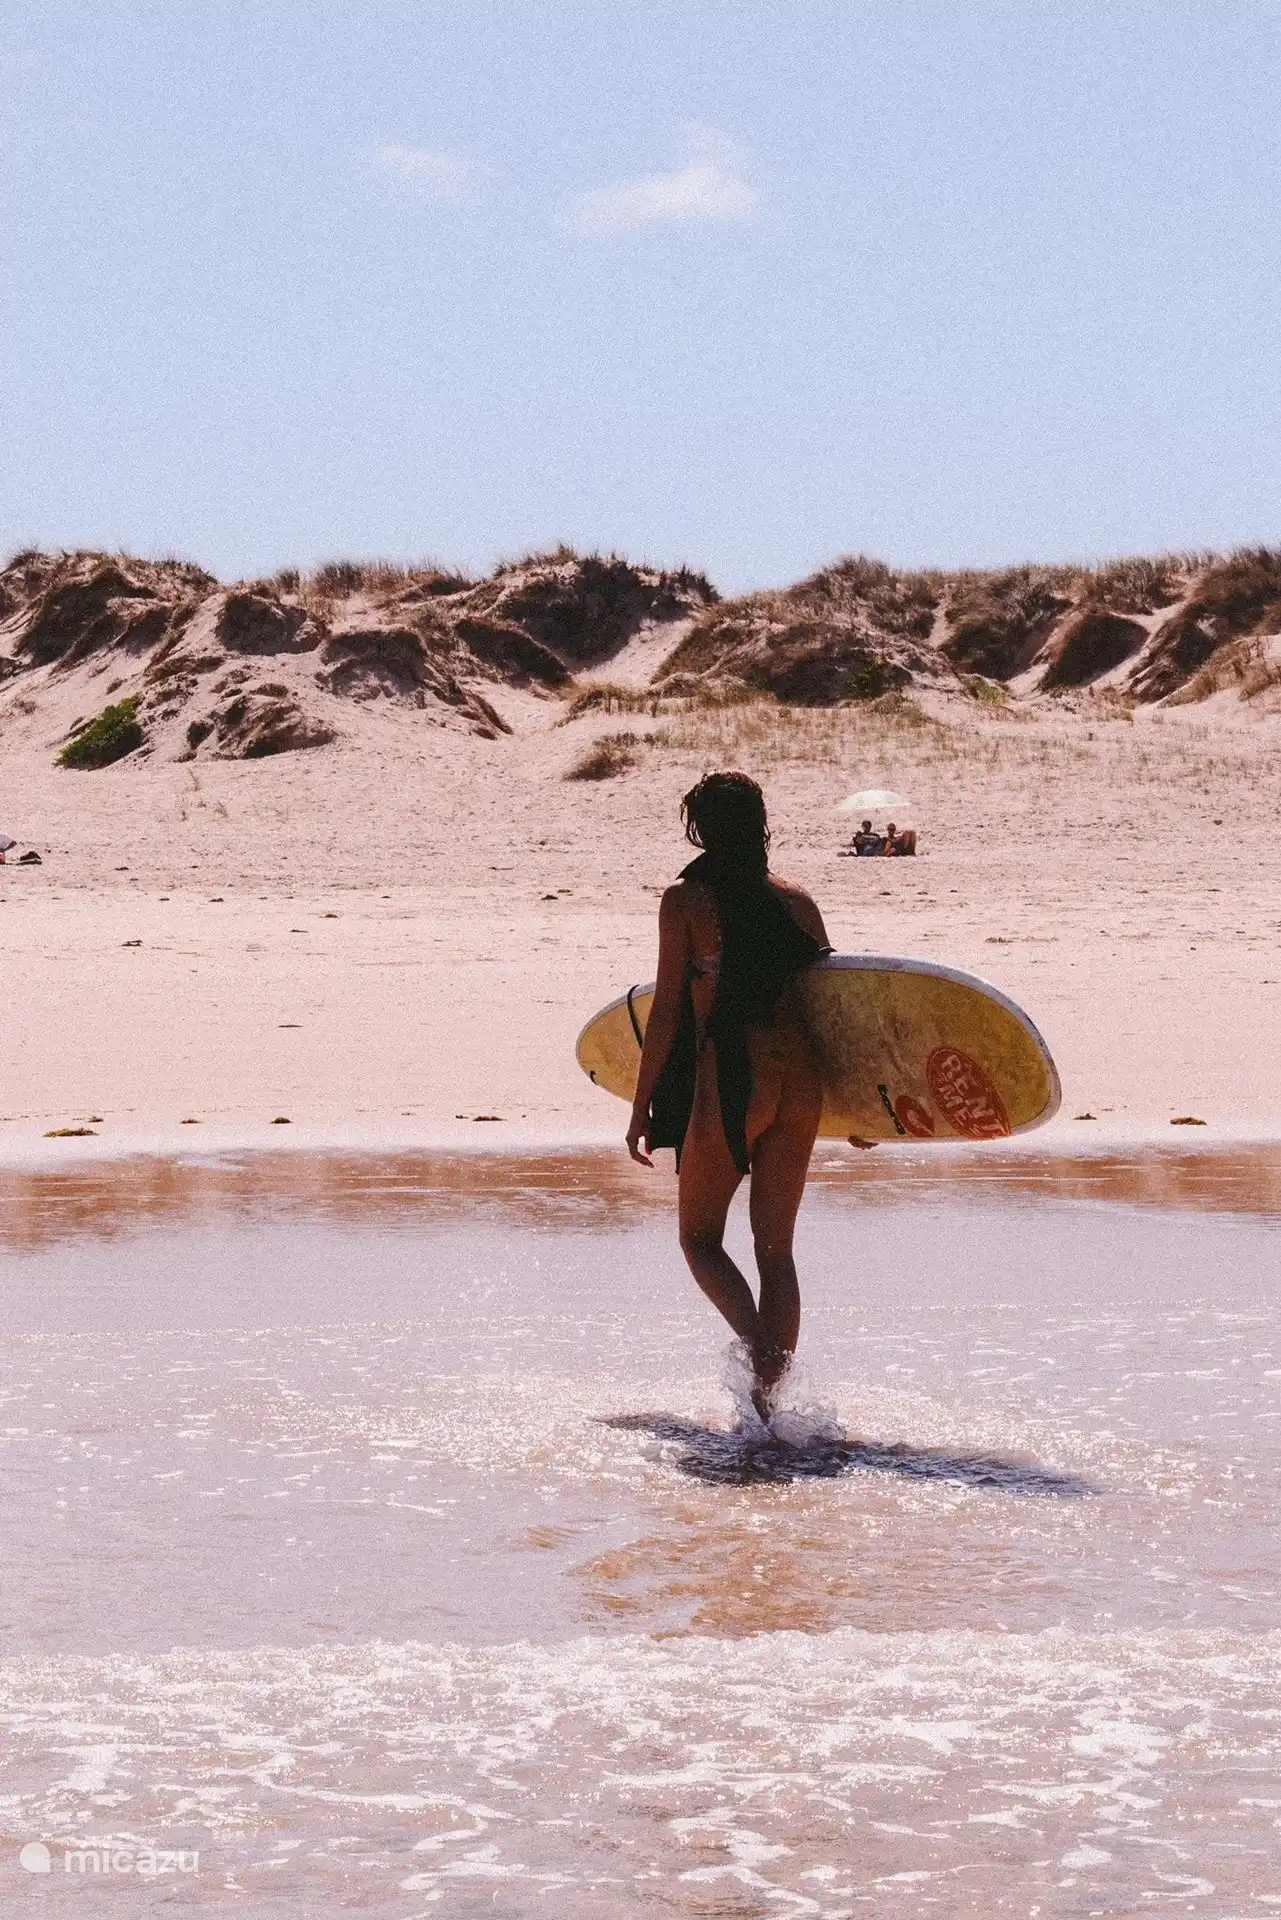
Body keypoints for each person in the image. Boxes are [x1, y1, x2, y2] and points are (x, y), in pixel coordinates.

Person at [626, 771, 872, 1418]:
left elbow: (668, 1014)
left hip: (736, 1075)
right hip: (803, 1084)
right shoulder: (796, 902)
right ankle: (773, 1408)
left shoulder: (685, 902)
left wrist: (639, 1106)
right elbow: (833, 1013)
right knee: (776, 1253)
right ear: (760, 824)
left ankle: (760, 1359)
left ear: (699, 829)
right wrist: (864, 1110)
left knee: (700, 1240)